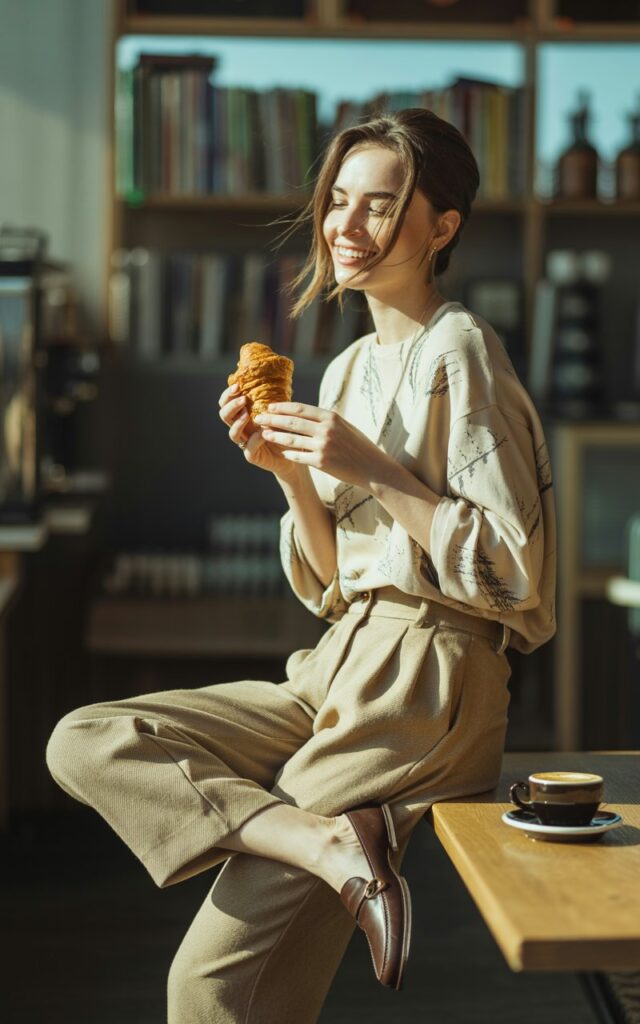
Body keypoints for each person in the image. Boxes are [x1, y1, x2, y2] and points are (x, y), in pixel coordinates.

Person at [46, 108, 556, 1023]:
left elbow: (516, 573)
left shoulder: (460, 348)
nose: (345, 225)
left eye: (380, 206)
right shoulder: (349, 366)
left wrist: (371, 468)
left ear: (443, 227)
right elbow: (332, 585)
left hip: (426, 676)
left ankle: (337, 846)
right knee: (90, 738)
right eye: (338, 201)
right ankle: (328, 844)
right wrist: (289, 474)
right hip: (339, 664)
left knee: (211, 986)